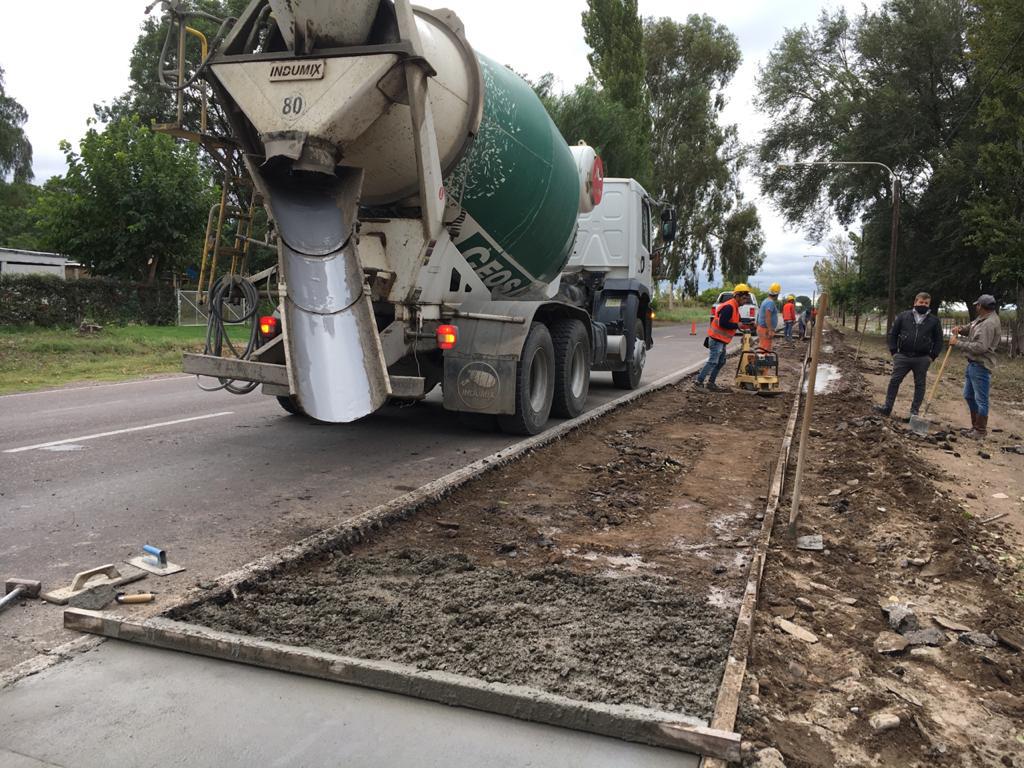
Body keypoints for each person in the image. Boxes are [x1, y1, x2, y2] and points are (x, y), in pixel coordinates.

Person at [873, 292, 943, 418]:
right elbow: (893, 334)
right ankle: (887, 408)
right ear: (915, 302)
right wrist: (894, 351)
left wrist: (932, 356)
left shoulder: (934, 321)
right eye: (921, 302)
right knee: (894, 381)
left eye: (926, 303)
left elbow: (939, 341)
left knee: (920, 385)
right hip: (903, 356)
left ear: (929, 304)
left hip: (922, 358)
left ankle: (914, 413)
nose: (923, 305)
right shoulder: (903, 316)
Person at [950, 294, 1001, 439]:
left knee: (981, 399)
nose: (976, 307)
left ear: (981, 307)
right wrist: (960, 329)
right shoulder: (982, 318)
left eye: (977, 305)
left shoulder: (989, 323)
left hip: (981, 365)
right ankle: (975, 427)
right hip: (972, 364)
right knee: (968, 395)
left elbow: (981, 347)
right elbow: (971, 327)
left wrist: (957, 343)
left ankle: (980, 430)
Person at [694, 284, 753, 392]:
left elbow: (737, 322)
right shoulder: (729, 307)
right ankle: (699, 382)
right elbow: (723, 323)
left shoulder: (735, 307)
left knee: (721, 362)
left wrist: (748, 324)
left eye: (747, 298)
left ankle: (711, 383)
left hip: (721, 340)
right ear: (737, 296)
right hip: (716, 339)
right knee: (713, 361)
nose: (745, 301)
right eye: (744, 298)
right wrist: (737, 326)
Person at [756, 283, 781, 352]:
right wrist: (770, 330)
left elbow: (760, 314)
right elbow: (768, 316)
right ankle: (762, 362)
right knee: (765, 350)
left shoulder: (766, 300)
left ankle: (762, 361)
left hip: (763, 328)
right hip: (765, 329)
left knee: (763, 347)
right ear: (777, 294)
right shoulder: (770, 303)